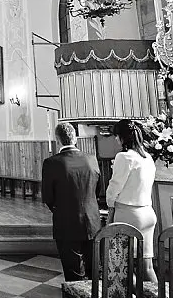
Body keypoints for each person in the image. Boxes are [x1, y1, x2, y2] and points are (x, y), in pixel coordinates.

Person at [41, 122, 102, 283]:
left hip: (66, 222)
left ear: (57, 140)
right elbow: (97, 190)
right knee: (95, 269)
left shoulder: (51, 163)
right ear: (75, 138)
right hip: (93, 222)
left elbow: (48, 197)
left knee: (74, 272)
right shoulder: (91, 159)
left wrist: (63, 209)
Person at [106, 119, 158, 287]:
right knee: (147, 266)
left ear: (122, 137)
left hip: (129, 214)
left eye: (116, 136)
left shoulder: (124, 157)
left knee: (123, 265)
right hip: (147, 213)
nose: (115, 139)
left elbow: (115, 186)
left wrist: (110, 204)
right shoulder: (147, 157)